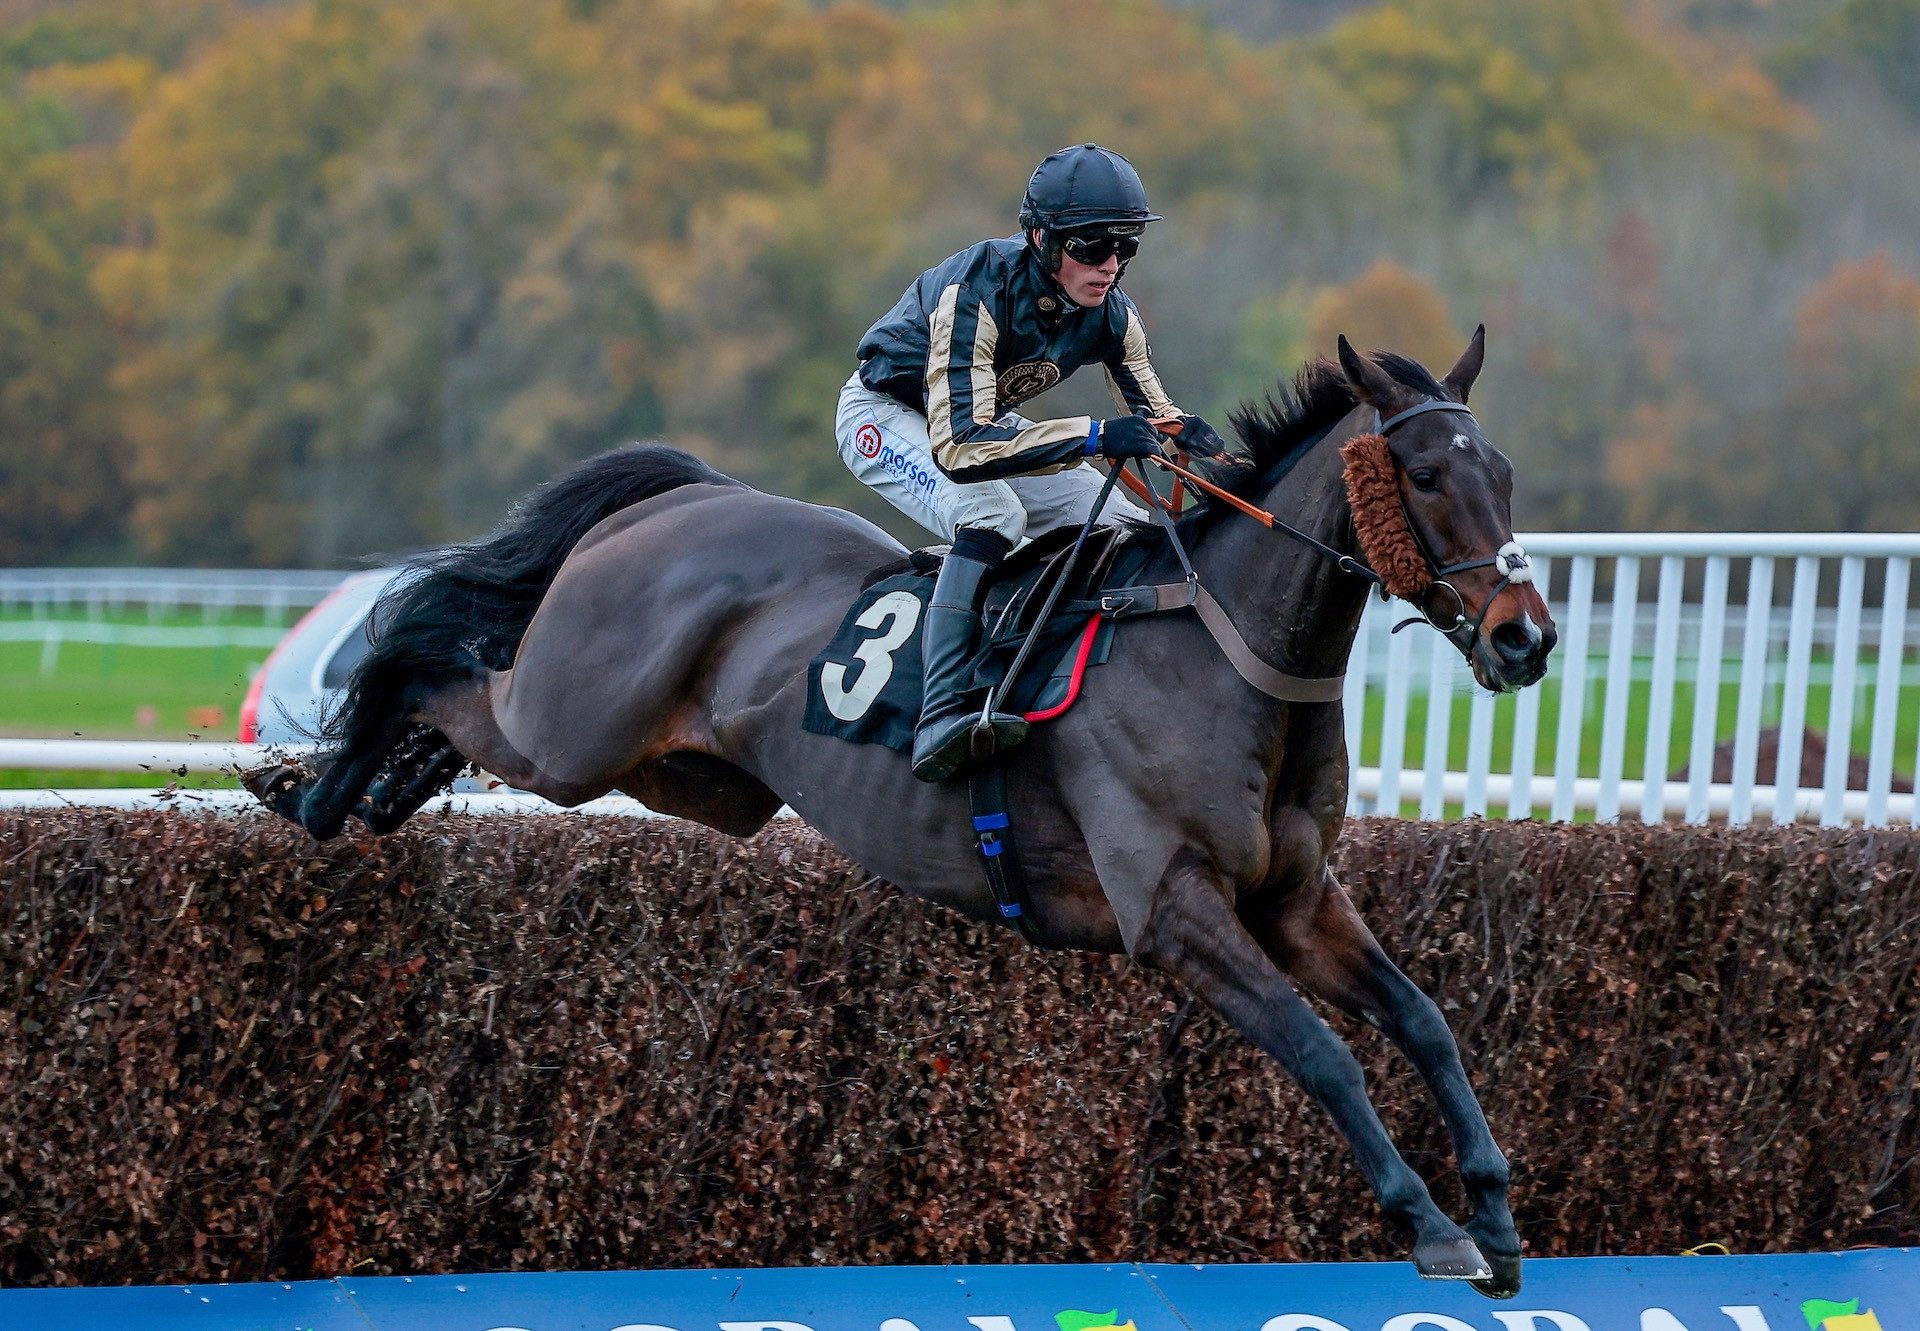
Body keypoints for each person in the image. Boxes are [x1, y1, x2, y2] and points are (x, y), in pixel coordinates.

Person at [837, 143, 1227, 783]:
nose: (1110, 266)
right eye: (1092, 246)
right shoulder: (975, 294)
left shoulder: (1113, 313)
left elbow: (1153, 415)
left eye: (1125, 248)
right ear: (1042, 239)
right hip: (887, 416)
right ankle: (941, 713)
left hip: (981, 423)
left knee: (1123, 525)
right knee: (993, 514)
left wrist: (1201, 445)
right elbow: (961, 449)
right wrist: (1097, 435)